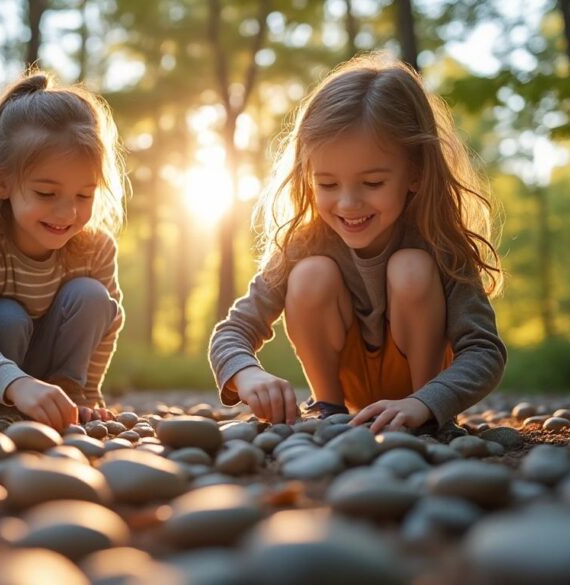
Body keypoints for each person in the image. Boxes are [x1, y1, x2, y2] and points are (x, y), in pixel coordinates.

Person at [208, 52, 507, 435]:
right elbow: (232, 331)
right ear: (307, 175)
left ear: (415, 172)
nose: (348, 204)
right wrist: (247, 374)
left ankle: (430, 423)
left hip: (424, 395)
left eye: (372, 183)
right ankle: (329, 409)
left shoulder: (438, 241)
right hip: (346, 392)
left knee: (411, 268)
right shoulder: (306, 242)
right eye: (328, 184)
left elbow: (485, 351)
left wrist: (427, 401)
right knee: (311, 274)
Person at [0, 72, 128, 432]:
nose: (67, 213)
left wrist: (88, 394)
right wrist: (14, 384)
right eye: (46, 194)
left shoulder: (95, 248)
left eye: (84, 195)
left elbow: (107, 326)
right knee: (7, 316)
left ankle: (67, 396)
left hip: (44, 372)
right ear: (0, 181)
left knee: (93, 297)